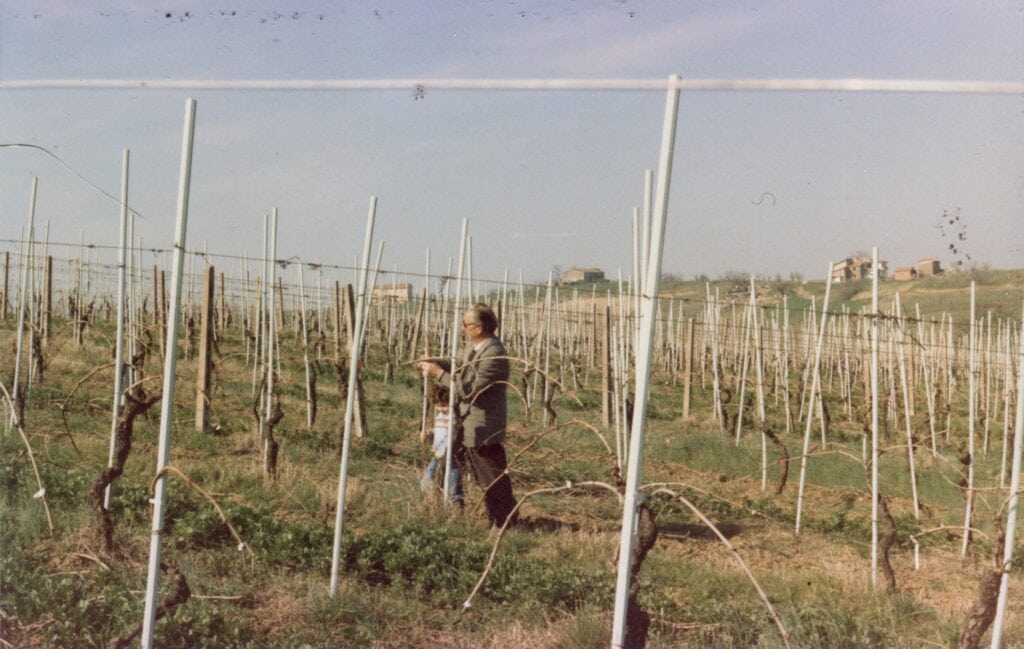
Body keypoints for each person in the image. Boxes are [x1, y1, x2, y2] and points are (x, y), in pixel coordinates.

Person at [417, 303, 517, 528]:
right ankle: (446, 509)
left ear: (479, 328)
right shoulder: (476, 347)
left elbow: (470, 389)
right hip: (464, 421)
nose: (463, 328)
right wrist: (436, 362)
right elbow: (458, 364)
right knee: (446, 464)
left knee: (490, 477)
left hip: (482, 427)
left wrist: (439, 374)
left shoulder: (494, 353)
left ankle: (504, 522)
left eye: (466, 324)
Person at [419, 385, 463, 505]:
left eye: (444, 405)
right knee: (427, 479)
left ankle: (455, 506)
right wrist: (429, 434)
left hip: (451, 456)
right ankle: (431, 501)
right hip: (438, 455)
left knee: (452, 484)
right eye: (438, 405)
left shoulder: (453, 418)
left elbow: (452, 436)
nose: (441, 409)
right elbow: (437, 432)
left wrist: (443, 450)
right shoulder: (439, 416)